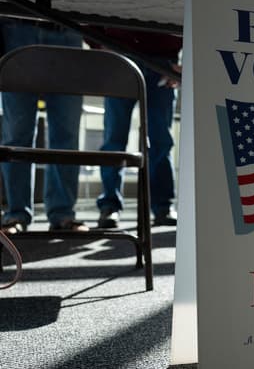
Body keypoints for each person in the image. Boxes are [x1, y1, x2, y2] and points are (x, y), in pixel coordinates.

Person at [0, 20, 87, 234]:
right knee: (16, 135)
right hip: (17, 28)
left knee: (66, 136)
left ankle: (63, 213)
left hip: (67, 29)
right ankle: (16, 214)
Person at [92, 29, 182, 228]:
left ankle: (163, 207)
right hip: (120, 55)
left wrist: (187, 63)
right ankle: (109, 206)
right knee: (114, 140)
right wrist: (98, 44)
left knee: (161, 141)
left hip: (164, 61)